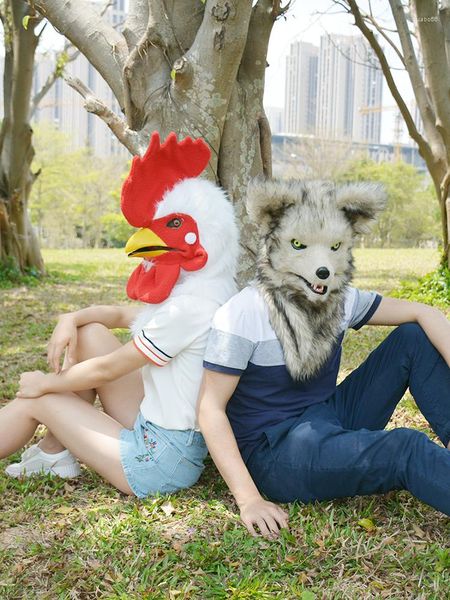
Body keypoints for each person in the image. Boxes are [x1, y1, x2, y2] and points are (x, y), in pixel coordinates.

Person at [198, 178, 450, 538]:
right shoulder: (241, 314)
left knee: (411, 338)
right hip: (276, 454)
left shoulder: (339, 298)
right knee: (405, 447)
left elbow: (427, 315)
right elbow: (210, 410)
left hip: (328, 417)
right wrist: (248, 499)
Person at [2, 132, 239, 497]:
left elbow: (109, 369)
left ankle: (50, 444)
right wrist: (71, 318)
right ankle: (52, 452)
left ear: (204, 237)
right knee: (91, 332)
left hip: (159, 462)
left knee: (40, 399)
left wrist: (44, 383)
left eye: (172, 225)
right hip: (157, 425)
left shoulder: (191, 307)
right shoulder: (209, 289)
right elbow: (117, 314)